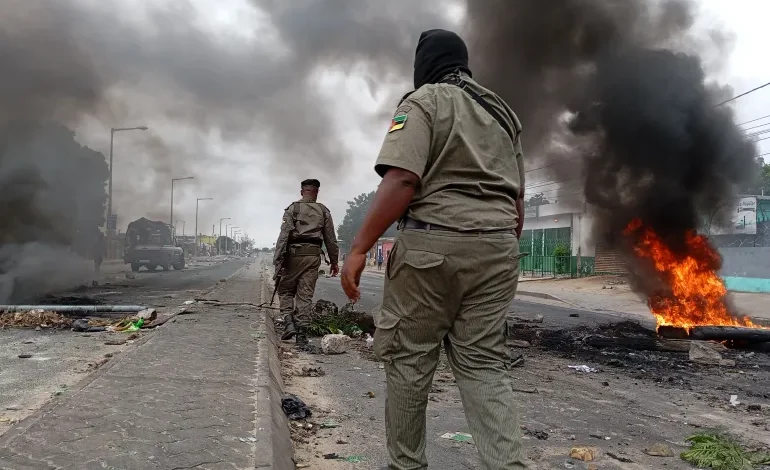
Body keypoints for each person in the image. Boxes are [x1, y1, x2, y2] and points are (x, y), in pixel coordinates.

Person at [340, 29, 526, 469]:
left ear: (425, 64)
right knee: (484, 366)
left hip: (431, 246)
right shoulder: (503, 113)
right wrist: (491, 248)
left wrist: (359, 247)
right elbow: (517, 204)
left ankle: (406, 465)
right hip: (499, 248)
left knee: (409, 361)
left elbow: (403, 179)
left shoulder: (423, 101)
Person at [274, 179, 340, 345]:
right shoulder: (323, 211)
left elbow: (283, 237)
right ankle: (302, 336)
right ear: (316, 192)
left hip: (293, 256)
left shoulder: (293, 209)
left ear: (302, 191)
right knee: (305, 295)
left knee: (286, 290)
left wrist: (277, 261)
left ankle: (289, 323)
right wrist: (334, 262)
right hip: (313, 256)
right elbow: (331, 239)